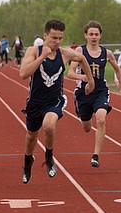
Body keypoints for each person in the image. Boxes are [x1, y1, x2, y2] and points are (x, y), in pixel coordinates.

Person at [20, 19, 95, 184]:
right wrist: (42, 57)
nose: (57, 41)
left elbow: (82, 59)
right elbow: (23, 74)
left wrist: (90, 81)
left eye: (60, 38)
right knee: (31, 136)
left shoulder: (65, 53)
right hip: (34, 103)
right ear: (45, 35)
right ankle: (27, 162)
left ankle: (49, 156)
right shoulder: (34, 51)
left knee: (49, 125)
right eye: (53, 38)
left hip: (54, 101)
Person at [67, 20, 121, 168]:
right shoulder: (80, 52)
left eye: (96, 34)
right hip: (84, 92)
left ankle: (95, 156)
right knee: (86, 127)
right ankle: (80, 109)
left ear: (100, 36)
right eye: (91, 34)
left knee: (101, 120)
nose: (94, 37)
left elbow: (118, 69)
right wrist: (83, 78)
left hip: (100, 90)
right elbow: (70, 72)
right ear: (86, 35)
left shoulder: (107, 53)